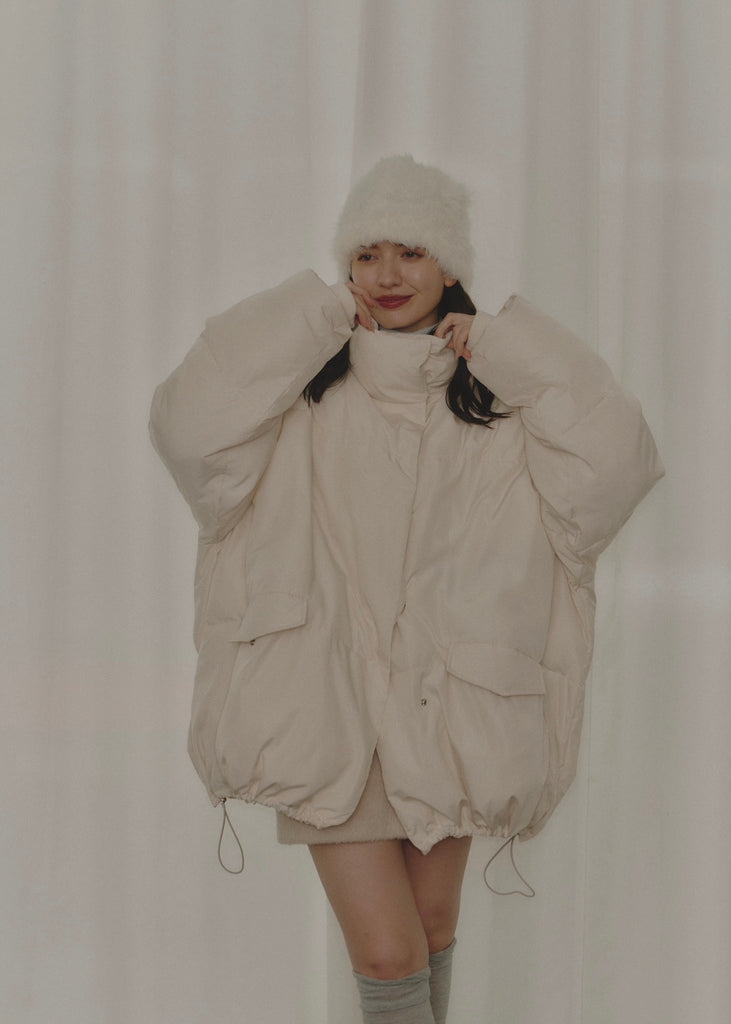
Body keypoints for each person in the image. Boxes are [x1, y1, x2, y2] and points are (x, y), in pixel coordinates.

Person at [149, 155, 663, 1024]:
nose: (386, 275)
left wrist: (508, 349)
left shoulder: (496, 403)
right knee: (387, 952)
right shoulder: (298, 397)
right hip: (328, 704)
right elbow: (188, 430)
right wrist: (311, 318)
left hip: (447, 703)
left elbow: (616, 468)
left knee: (427, 931)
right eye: (366, 254)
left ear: (449, 266)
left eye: (411, 252)